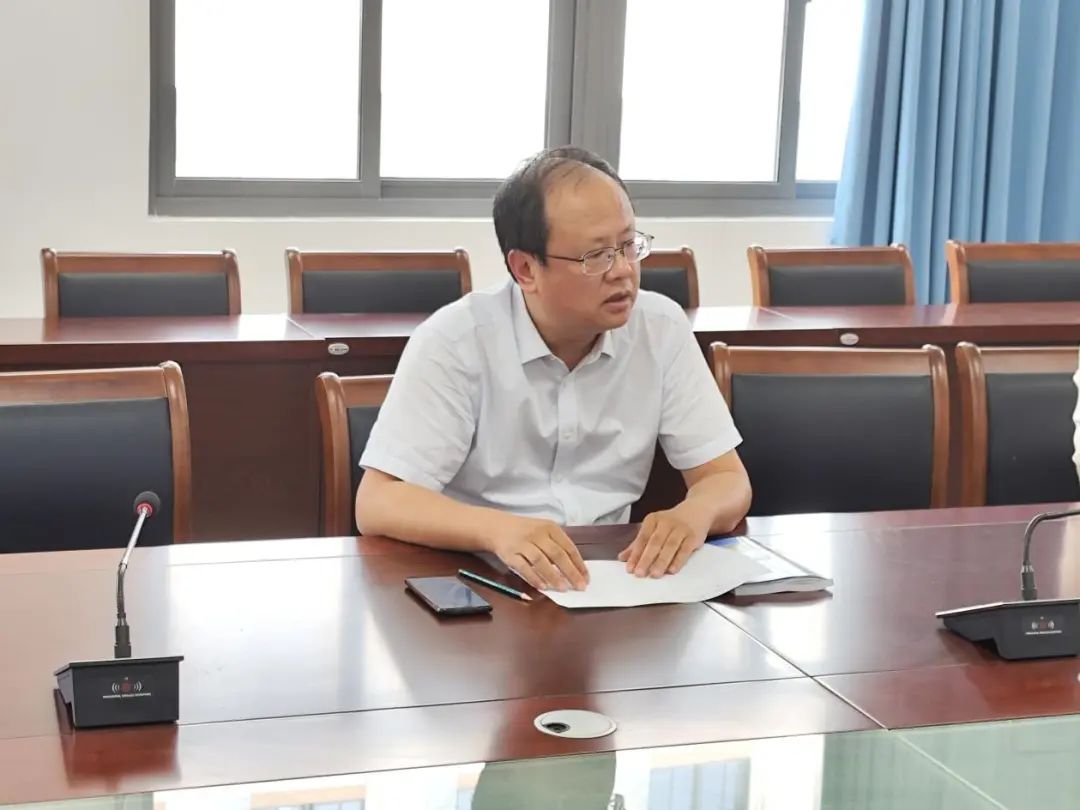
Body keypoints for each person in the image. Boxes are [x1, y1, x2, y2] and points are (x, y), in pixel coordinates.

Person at [355, 146, 751, 592]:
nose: (623, 271)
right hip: (480, 579)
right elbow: (378, 501)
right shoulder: (457, 340)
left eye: (629, 245)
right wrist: (498, 530)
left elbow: (726, 478)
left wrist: (693, 515)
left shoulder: (660, 328)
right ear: (525, 269)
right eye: (596, 256)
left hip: (612, 579)